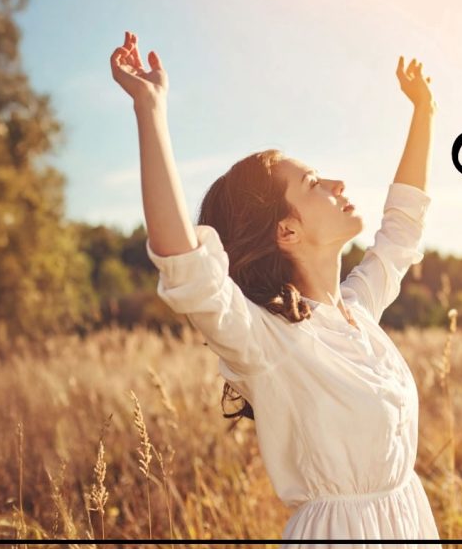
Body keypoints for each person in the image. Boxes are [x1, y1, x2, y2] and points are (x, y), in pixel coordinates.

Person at [109, 30, 441, 547]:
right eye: (312, 184)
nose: (337, 184)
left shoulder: (357, 313)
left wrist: (424, 112)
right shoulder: (268, 342)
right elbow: (187, 267)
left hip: (408, 523)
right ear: (285, 232)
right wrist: (150, 110)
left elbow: (401, 231)